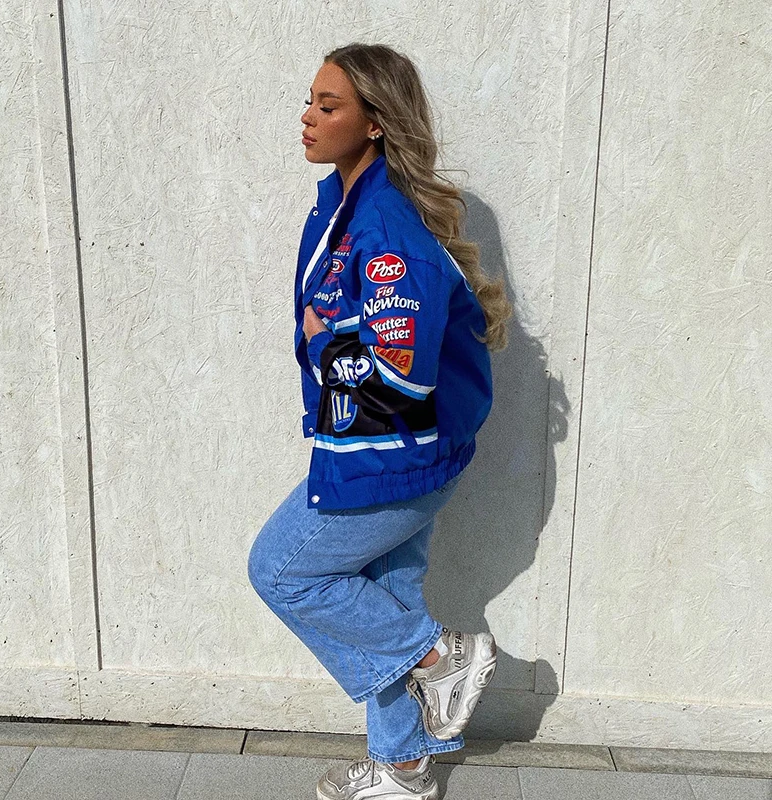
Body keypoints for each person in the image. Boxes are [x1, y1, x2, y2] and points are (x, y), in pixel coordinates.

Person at [247, 42, 512, 800]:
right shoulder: (345, 205)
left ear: (374, 122)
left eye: (328, 105)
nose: (308, 116)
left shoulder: (384, 224)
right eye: (309, 100)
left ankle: (439, 657)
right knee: (384, 592)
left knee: (281, 570)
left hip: (392, 451)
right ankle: (402, 768)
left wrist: (318, 339)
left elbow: (400, 371)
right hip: (387, 443)